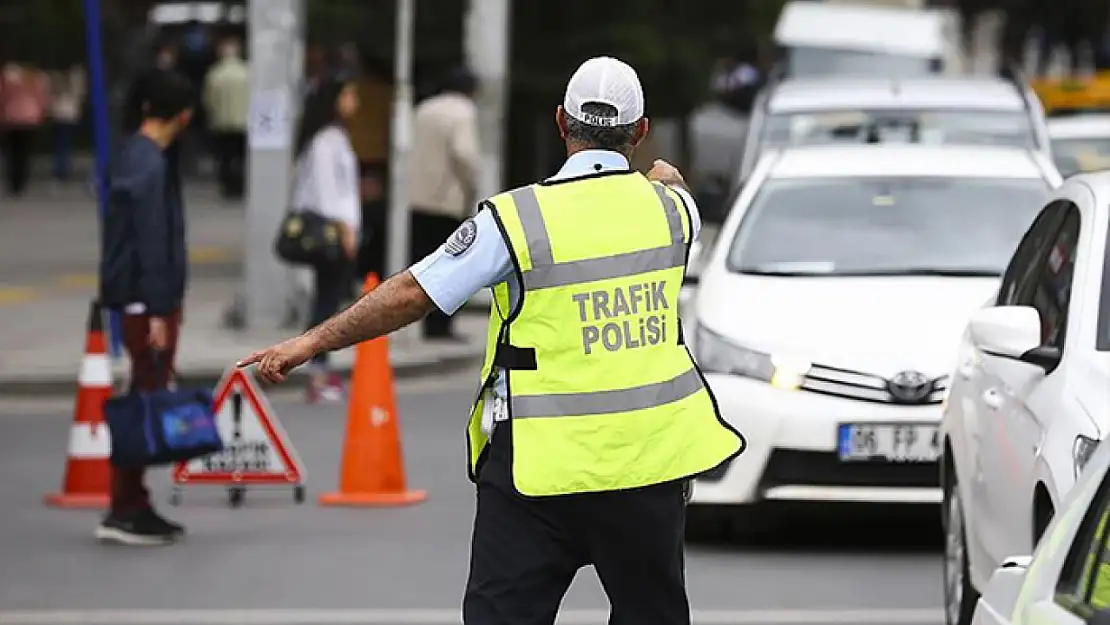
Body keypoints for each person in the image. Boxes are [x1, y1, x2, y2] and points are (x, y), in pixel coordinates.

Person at [239, 56, 746, 625]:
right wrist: (662, 178)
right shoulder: (674, 213)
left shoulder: (517, 219)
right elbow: (673, 187)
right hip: (647, 470)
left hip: (537, 472)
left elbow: (413, 292)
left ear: (561, 122)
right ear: (641, 130)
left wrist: (310, 343)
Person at [96, 70, 196, 546]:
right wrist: (159, 311)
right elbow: (151, 242)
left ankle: (132, 501)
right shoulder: (150, 165)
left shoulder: (134, 156)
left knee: (144, 394)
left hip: (138, 299)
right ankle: (126, 506)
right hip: (146, 303)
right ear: (183, 115)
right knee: (144, 399)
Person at [287, 77, 362, 403]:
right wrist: (345, 229)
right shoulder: (326, 140)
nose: (353, 100)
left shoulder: (334, 137)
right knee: (326, 302)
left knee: (329, 299)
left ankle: (319, 367)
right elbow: (328, 191)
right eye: (348, 94)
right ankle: (316, 370)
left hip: (338, 229)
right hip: (331, 231)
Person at [407, 66, 481, 340]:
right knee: (452, 265)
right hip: (447, 200)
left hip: (418, 197)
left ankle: (426, 322)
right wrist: (472, 186)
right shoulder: (463, 112)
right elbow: (464, 153)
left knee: (424, 263)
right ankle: (441, 326)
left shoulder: (424, 109)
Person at [203, 36, 249, 199]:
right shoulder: (247, 72)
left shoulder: (214, 74)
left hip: (222, 122)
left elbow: (208, 100)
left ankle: (228, 186)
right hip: (244, 122)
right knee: (241, 156)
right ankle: (241, 185)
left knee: (225, 157)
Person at [0, 61, 49, 197]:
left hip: (11, 119)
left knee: (11, 153)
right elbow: (41, 99)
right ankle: (21, 182)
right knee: (24, 154)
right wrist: (40, 115)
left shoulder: (7, 78)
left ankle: (13, 182)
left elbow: (2, 97)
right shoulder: (36, 79)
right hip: (30, 119)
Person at [48, 62, 85, 188]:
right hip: (70, 114)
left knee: (60, 145)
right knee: (65, 144)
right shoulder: (76, 79)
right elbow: (80, 95)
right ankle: (64, 172)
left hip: (60, 114)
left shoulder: (58, 79)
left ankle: (60, 172)